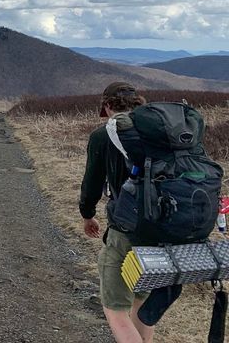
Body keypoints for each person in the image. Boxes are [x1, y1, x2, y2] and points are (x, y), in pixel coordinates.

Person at [79, 81, 152, 343]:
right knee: (141, 305)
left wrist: (87, 214)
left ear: (108, 106)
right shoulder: (158, 129)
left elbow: (92, 183)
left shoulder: (103, 135)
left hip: (126, 232)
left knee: (116, 310)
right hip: (163, 230)